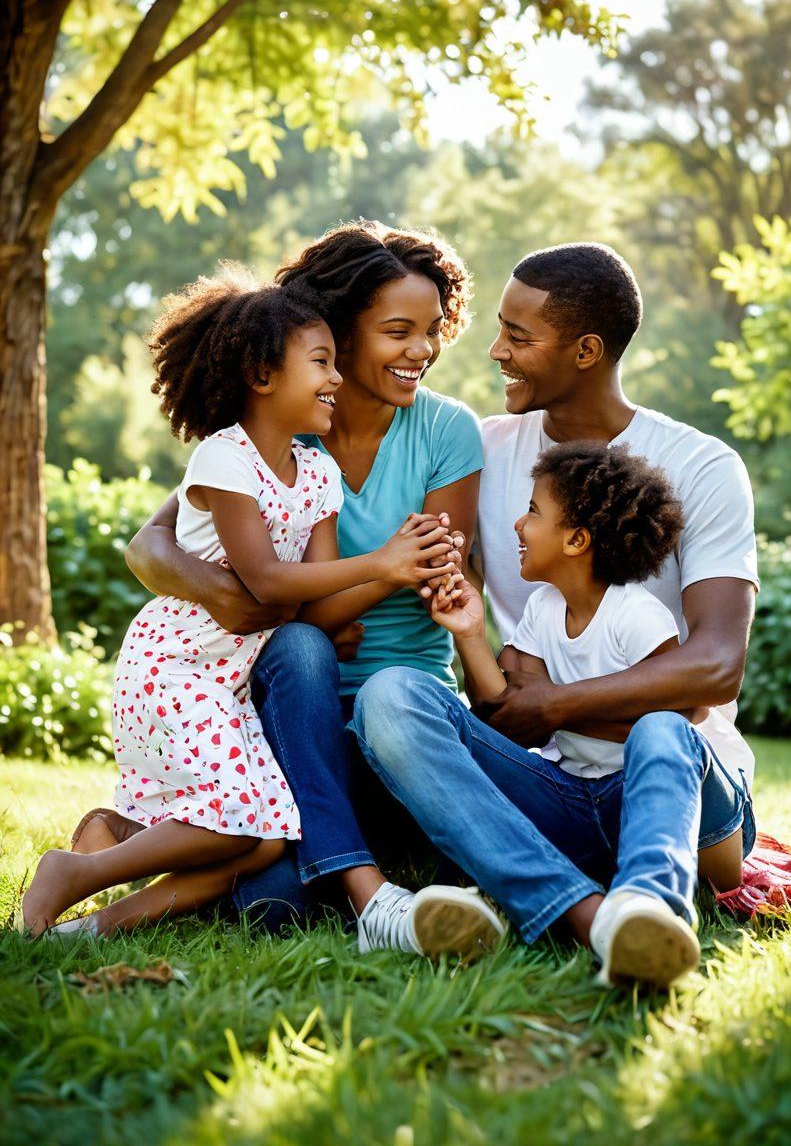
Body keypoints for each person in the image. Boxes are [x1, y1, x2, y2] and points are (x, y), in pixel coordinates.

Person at [81, 223, 505, 959]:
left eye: (432, 331)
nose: (421, 352)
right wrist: (248, 594)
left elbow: (425, 574)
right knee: (274, 911)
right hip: (282, 705)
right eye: (397, 331)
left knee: (310, 645)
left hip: (399, 708)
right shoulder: (283, 424)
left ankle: (333, 871)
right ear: (338, 334)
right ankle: (145, 842)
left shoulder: (446, 432)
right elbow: (153, 542)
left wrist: (296, 600)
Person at [352, 241, 759, 986]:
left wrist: (555, 706)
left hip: (681, 780)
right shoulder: (479, 448)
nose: (494, 350)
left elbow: (716, 668)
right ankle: (598, 918)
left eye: (519, 335)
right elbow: (498, 690)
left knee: (666, 729)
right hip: (558, 777)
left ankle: (637, 900)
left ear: (586, 350)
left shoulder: (701, 466)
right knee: (392, 699)